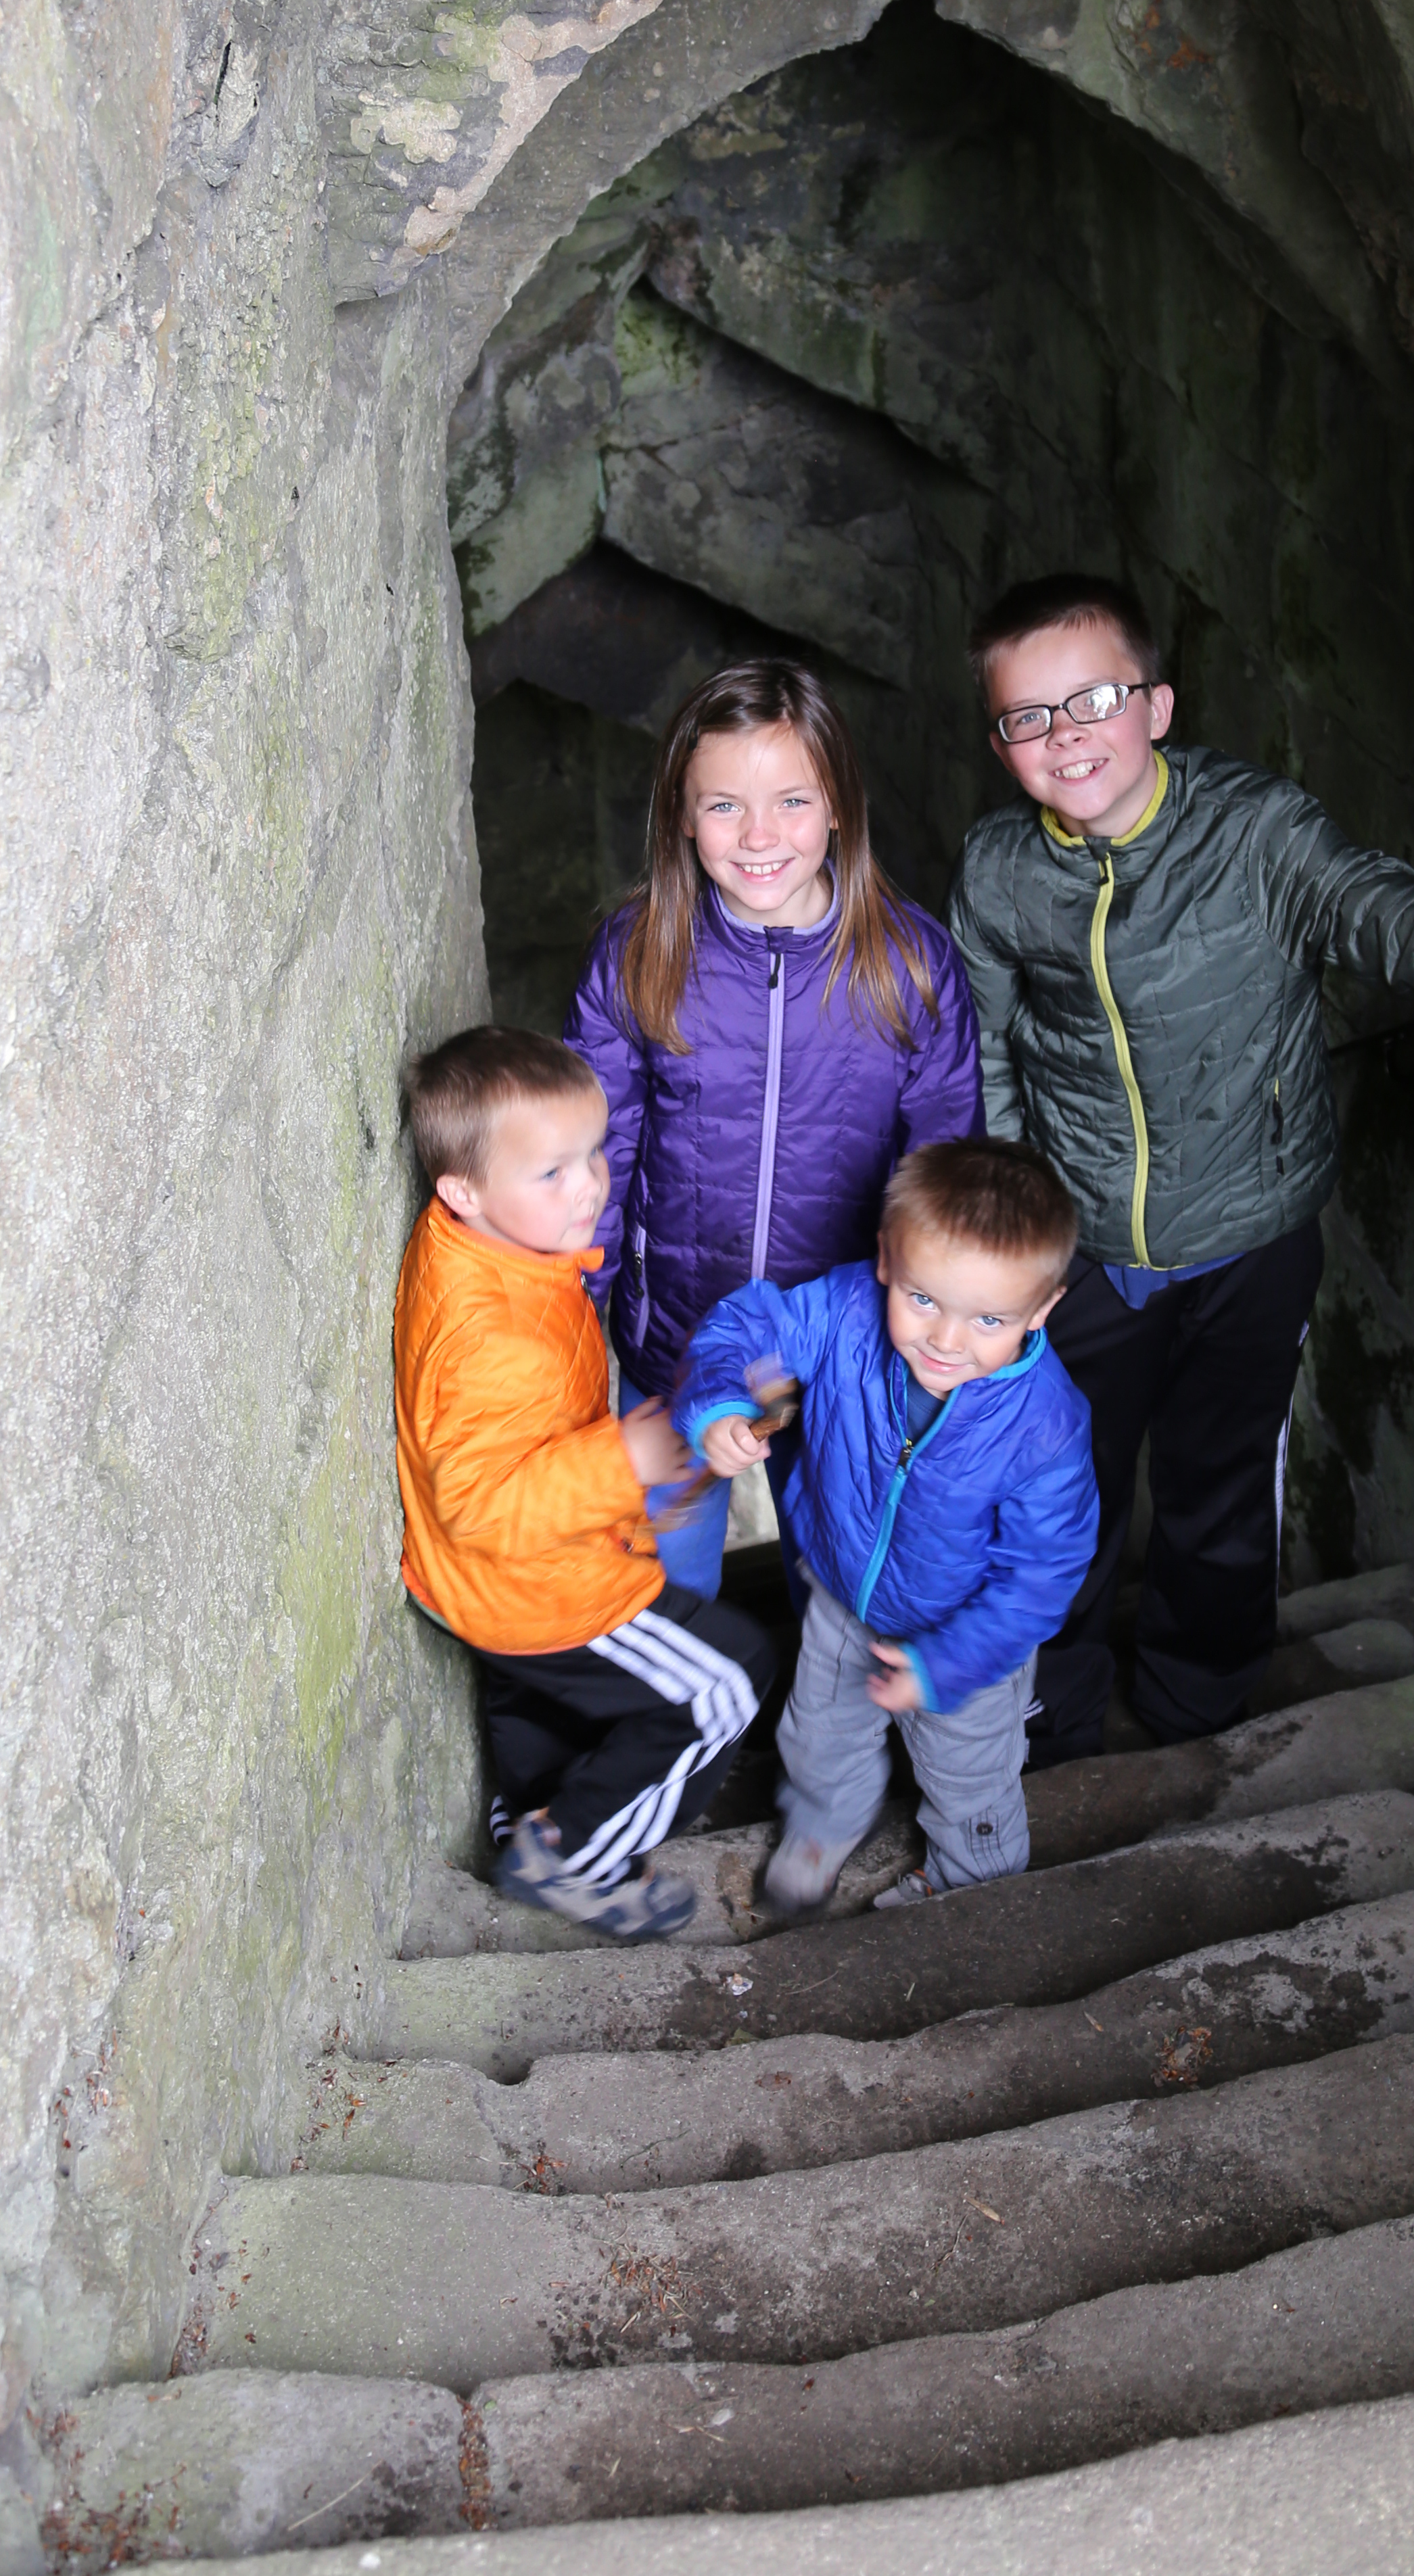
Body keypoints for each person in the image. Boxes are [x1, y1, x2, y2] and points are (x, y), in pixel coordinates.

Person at [944, 573, 1414, 1765]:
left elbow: (1406, 922)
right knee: (1049, 1502)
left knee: (1219, 1487)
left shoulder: (1256, 835)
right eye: (1027, 716)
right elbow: (978, 1054)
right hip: (1071, 1255)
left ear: (1157, 704)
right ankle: (1048, 1724)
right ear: (998, 741)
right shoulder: (996, 872)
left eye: (1091, 698)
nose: (1065, 734)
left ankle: (1196, 1712)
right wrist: (999, 1239)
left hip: (1249, 1237)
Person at [567, 658, 983, 1596]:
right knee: (660, 1591)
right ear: (680, 813)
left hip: (843, 1351)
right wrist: (572, 1318)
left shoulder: (910, 965)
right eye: (723, 807)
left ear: (839, 806)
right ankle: (694, 1740)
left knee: (842, 1585)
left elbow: (942, 1173)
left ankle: (828, 1744)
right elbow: (597, 1151)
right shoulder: (639, 951)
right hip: (673, 1334)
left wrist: (938, 1344)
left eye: (792, 800)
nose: (760, 837)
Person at [392, 1024, 774, 1941]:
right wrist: (624, 1463)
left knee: (537, 1697)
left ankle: (527, 1807)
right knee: (726, 1681)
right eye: (552, 1172)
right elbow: (484, 1504)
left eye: (593, 1153)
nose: (593, 1183)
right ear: (465, 1191)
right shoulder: (493, 1336)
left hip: (479, 1584)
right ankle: (571, 1852)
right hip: (534, 1581)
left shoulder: (483, 1250)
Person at [675, 1141, 1098, 1914]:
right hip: (841, 1597)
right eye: (924, 1299)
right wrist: (726, 1401)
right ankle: (821, 1828)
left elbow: (1042, 1576)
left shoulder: (1045, 1426)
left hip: (965, 1642)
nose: (946, 1340)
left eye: (990, 1318)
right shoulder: (844, 1313)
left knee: (968, 1775)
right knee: (818, 1737)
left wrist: (943, 1668)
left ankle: (973, 1880)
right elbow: (752, 1328)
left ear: (1042, 1310)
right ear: (885, 1262)